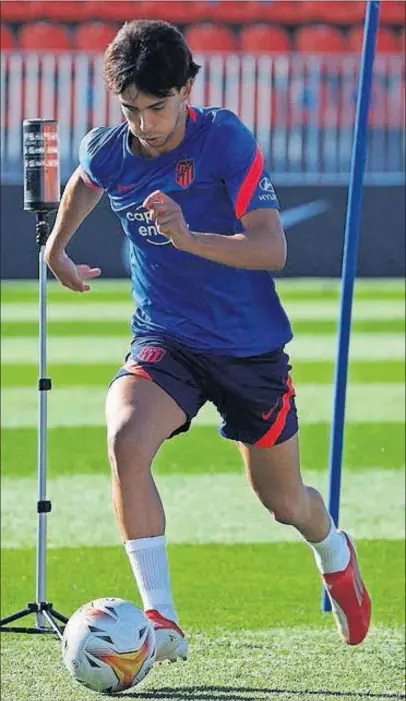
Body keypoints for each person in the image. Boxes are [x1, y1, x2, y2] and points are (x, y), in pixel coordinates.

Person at [45, 19, 371, 662]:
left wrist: (190, 237)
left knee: (284, 503)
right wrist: (56, 249)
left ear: (187, 87)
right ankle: (161, 621)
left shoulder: (224, 139)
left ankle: (335, 552)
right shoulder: (111, 148)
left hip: (250, 351)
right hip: (166, 339)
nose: (144, 124)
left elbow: (272, 247)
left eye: (157, 107)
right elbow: (85, 182)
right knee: (125, 439)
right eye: (131, 109)